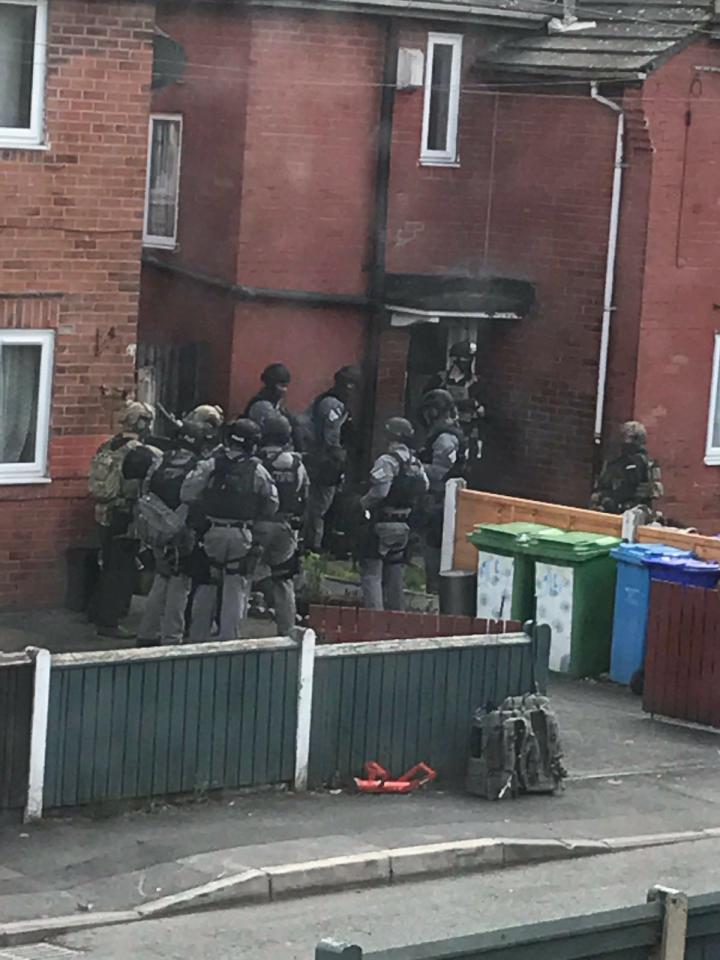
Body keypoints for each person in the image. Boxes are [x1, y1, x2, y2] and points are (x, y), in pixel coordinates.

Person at [181, 418, 278, 640]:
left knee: (207, 585)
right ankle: (229, 641)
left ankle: (197, 639)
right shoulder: (258, 470)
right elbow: (273, 503)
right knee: (235, 588)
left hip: (212, 532)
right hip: (241, 534)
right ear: (252, 443)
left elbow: (186, 493)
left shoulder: (211, 464)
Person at [135, 405, 224, 647]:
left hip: (154, 527)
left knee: (161, 579)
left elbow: (145, 489)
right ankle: (171, 638)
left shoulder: (161, 459)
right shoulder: (197, 466)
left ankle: (146, 633)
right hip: (181, 531)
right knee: (179, 584)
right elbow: (196, 498)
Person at [88, 400, 155, 640]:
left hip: (103, 513)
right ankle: (109, 621)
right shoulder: (139, 453)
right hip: (124, 516)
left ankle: (97, 612)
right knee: (121, 570)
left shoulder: (107, 446)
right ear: (141, 422)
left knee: (108, 564)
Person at [357, 417, 428, 611]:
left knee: (372, 572)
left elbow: (380, 492)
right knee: (395, 572)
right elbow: (425, 487)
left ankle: (375, 621)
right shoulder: (416, 464)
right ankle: (398, 618)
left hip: (383, 524)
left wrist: (361, 505)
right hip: (404, 525)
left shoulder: (387, 461)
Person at [254, 412, 310, 633]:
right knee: (284, 579)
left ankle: (231, 632)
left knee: (241, 576)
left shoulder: (255, 461)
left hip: (258, 525)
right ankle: (287, 631)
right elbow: (305, 494)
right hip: (287, 527)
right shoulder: (296, 463)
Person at [302, 365, 361, 552]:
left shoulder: (334, 402)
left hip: (324, 460)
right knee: (318, 506)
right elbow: (331, 436)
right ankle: (313, 546)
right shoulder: (332, 404)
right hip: (324, 462)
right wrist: (338, 459)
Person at [417, 388, 468, 593]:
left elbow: (440, 471)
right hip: (445, 499)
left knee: (434, 547)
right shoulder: (450, 433)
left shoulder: (445, 438)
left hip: (440, 499)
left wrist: (416, 467)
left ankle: (435, 591)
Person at [425, 339, 485, 463]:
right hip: (442, 434)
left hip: (466, 435)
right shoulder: (439, 380)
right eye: (464, 360)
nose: (467, 363)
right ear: (454, 360)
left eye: (469, 360)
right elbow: (426, 403)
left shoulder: (477, 384)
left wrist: (477, 406)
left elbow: (485, 413)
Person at [591, 420, 663, 517]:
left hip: (634, 513)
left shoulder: (647, 463)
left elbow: (656, 491)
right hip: (612, 511)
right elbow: (601, 487)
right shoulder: (615, 463)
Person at [244, 363, 293, 433]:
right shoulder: (261, 406)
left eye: (286, 386)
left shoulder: (278, 405)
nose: (285, 390)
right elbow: (277, 430)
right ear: (271, 385)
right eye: (281, 386)